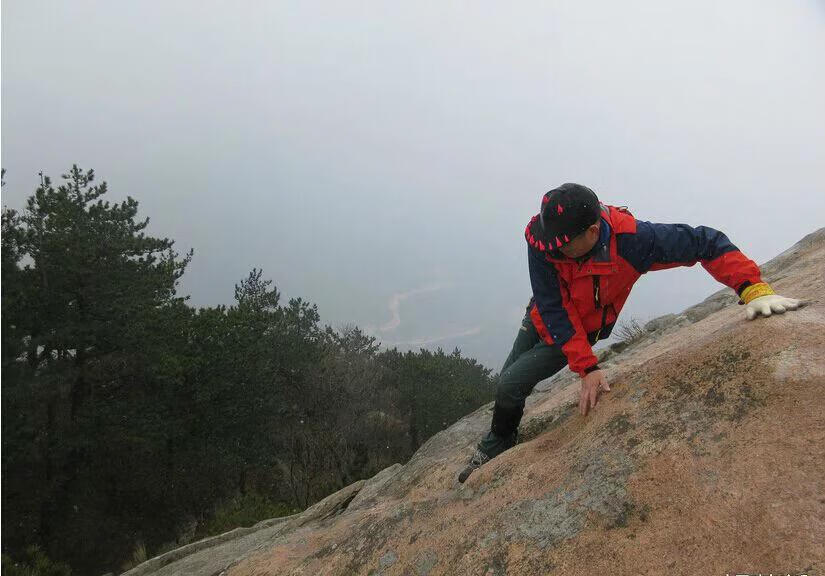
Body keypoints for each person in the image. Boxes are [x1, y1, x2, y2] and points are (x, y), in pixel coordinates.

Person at [458, 183, 801, 483]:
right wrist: (588, 368)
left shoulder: (634, 242)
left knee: (509, 385)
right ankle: (503, 437)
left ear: (592, 231)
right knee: (507, 383)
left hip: (577, 330)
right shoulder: (546, 242)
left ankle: (494, 447)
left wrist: (752, 287)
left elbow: (704, 241)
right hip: (543, 316)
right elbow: (551, 304)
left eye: (565, 245)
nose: (555, 250)